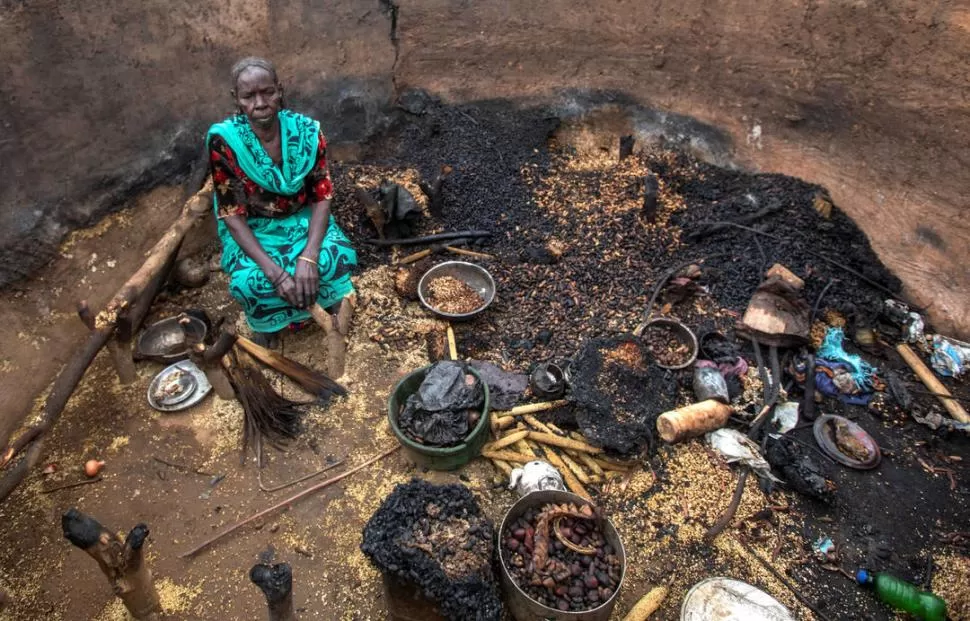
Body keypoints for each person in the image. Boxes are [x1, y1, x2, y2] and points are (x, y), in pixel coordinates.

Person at [207, 57, 356, 374]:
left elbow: (322, 194)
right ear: (237, 100)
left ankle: (320, 305)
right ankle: (270, 325)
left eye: (267, 92)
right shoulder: (225, 140)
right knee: (252, 282)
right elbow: (231, 212)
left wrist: (310, 256)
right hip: (255, 229)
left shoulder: (306, 132)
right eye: (249, 96)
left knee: (337, 256)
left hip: (303, 220)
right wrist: (275, 273)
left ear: (280, 92)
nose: (260, 103)